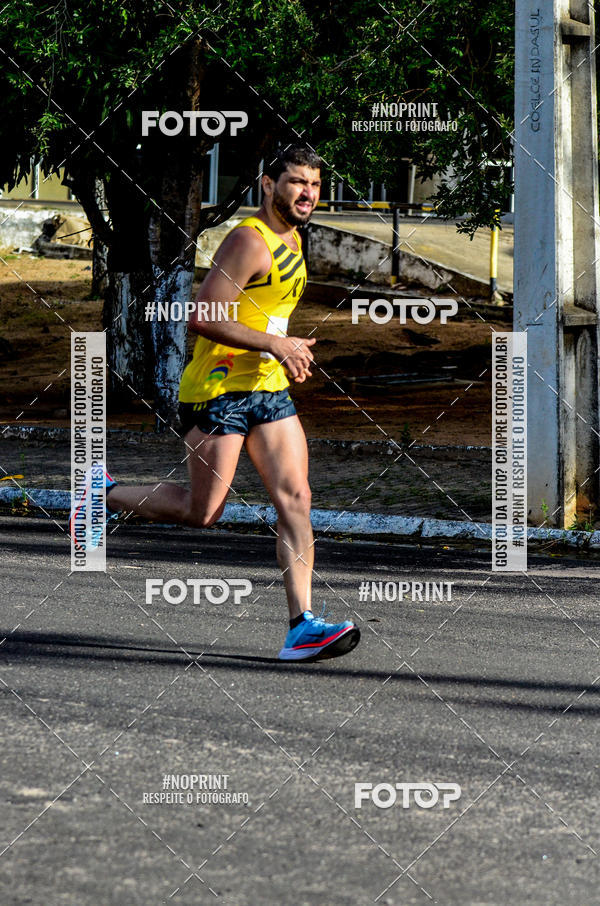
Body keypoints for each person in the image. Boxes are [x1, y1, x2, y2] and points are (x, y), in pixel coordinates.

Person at [70, 143, 360, 662]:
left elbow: (266, 313)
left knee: (296, 498)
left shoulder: (294, 238)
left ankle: (301, 626)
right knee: (203, 511)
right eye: (297, 182)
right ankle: (101, 493)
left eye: (315, 185)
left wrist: (283, 350)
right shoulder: (249, 240)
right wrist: (276, 343)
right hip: (219, 391)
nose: (308, 193)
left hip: (267, 389)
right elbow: (202, 315)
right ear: (268, 184)